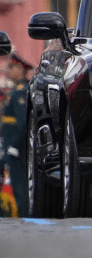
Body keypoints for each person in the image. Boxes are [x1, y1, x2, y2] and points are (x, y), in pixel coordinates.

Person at [1, 52, 33, 217]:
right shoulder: (16, 91)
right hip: (10, 145)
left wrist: (14, 146)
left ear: (20, 69)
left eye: (11, 67)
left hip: (17, 148)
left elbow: (23, 123)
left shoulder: (21, 92)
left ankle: (24, 217)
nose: (8, 71)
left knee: (20, 185)